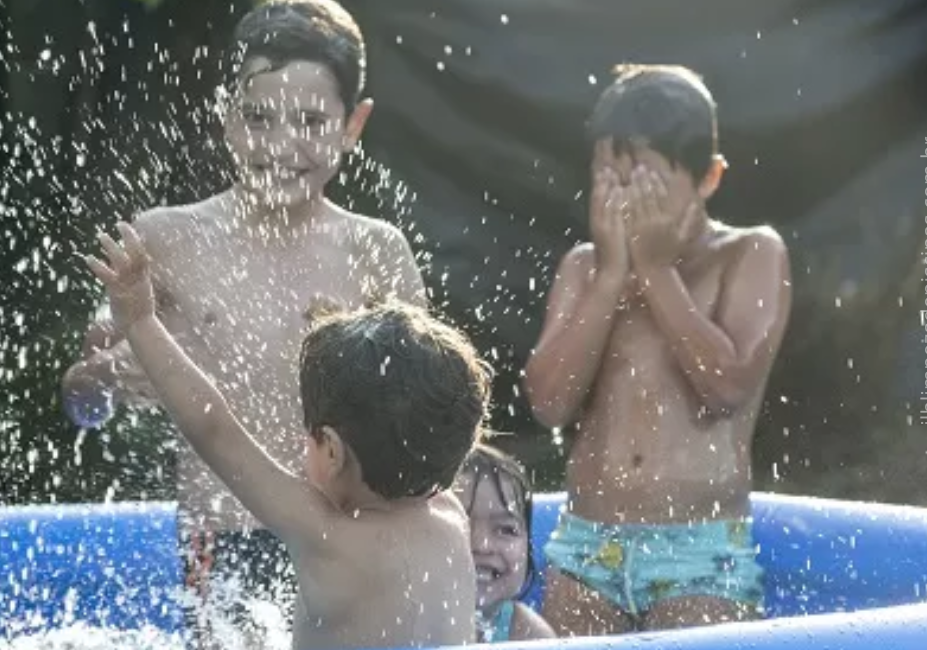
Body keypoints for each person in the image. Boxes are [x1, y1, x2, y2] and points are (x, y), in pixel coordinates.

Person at [60, 0, 426, 646]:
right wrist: (104, 381)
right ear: (227, 116)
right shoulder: (165, 241)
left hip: (348, 538)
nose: (282, 144)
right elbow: (82, 400)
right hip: (220, 538)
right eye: (259, 119)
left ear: (353, 124)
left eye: (312, 123)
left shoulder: (376, 253)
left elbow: (429, 424)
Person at [86, 221, 489, 649]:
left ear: (331, 450)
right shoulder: (451, 519)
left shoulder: (326, 537)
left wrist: (142, 322)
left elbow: (215, 429)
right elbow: (428, 406)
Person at [523, 63, 792, 635]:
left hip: (699, 552)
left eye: (646, 184)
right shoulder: (585, 267)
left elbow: (726, 386)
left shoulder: (750, 255)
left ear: (708, 178)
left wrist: (653, 267)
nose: (627, 202)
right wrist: (613, 275)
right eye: (611, 180)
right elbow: (548, 402)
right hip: (586, 544)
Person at [455, 444, 555, 643]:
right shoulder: (406, 618)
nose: (482, 545)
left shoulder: (528, 635)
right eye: (462, 525)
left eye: (506, 530)